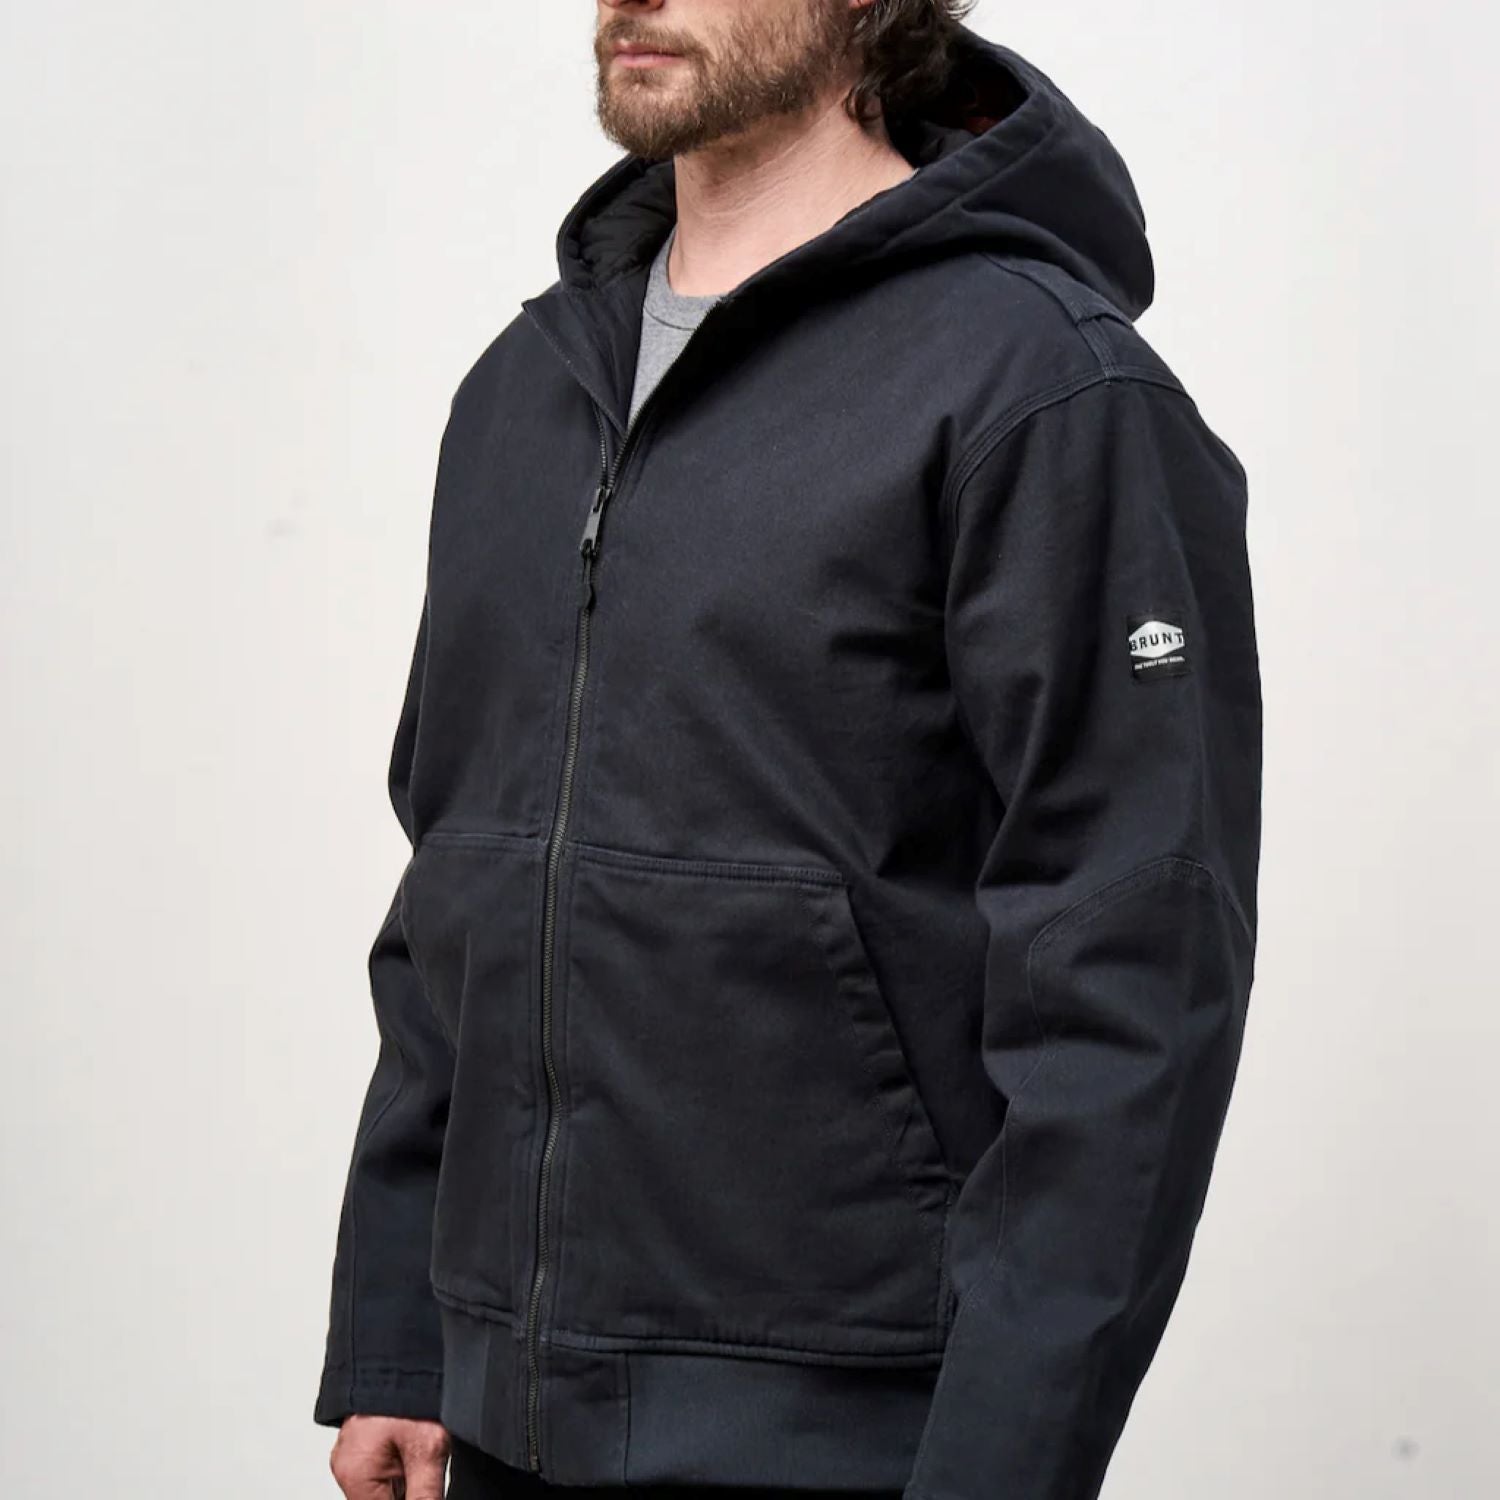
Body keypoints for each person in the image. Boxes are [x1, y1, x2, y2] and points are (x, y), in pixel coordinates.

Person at [315, 2, 1262, 1498]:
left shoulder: (1042, 387)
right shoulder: (523, 391)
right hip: (500, 1421)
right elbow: (461, 886)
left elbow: (1132, 980)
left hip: (845, 1431)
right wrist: (402, 1341)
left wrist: (1005, 1464)